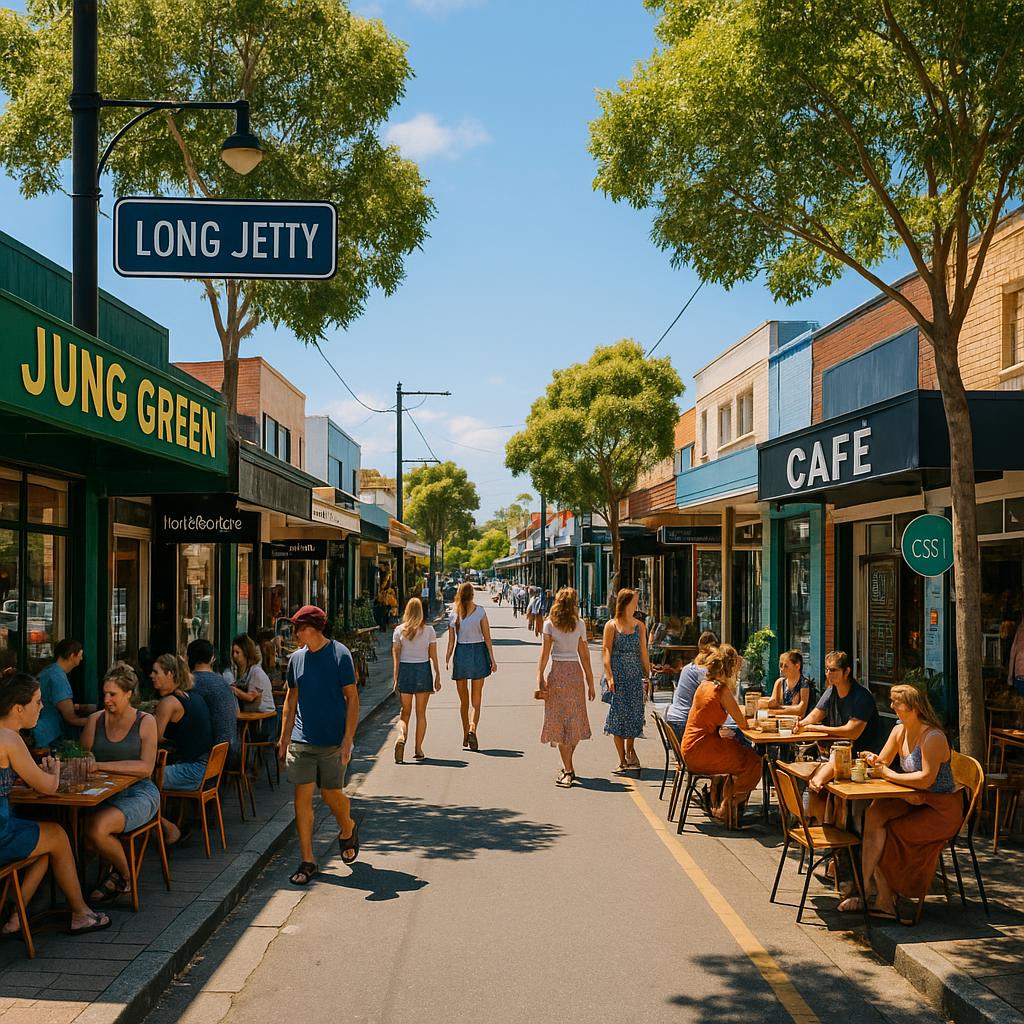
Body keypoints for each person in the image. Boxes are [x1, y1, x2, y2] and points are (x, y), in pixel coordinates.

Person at [838, 685, 963, 921]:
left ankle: (886, 900)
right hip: (914, 798)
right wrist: (873, 760)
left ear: (914, 708)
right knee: (874, 814)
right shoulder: (899, 730)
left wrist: (888, 775)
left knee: (891, 831)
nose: (892, 706)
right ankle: (865, 888)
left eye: (897, 703)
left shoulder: (933, 737)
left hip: (941, 808)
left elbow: (926, 779)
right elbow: (883, 762)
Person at [0, 673, 111, 936]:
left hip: (6, 824)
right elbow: (48, 787)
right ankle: (81, 914)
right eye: (37, 702)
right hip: (2, 832)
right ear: (18, 708)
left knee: (45, 846)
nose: (42, 707)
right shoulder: (10, 739)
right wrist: (55, 771)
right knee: (58, 835)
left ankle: (16, 918)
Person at [277, 605, 360, 886]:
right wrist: (284, 738)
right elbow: (291, 699)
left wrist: (348, 739)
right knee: (301, 800)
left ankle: (348, 826)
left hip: (333, 741)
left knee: (330, 795)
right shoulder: (296, 660)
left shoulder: (340, 655)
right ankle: (308, 859)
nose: (294, 633)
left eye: (297, 628)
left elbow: (352, 698)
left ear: (311, 629)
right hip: (302, 741)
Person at [81, 664, 161, 904]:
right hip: (101, 792)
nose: (106, 699)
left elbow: (145, 768)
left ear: (129, 694)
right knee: (73, 830)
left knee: (96, 828)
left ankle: (125, 877)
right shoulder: (95, 720)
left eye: (113, 694)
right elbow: (82, 758)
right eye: (104, 694)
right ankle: (88, 880)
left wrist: (101, 765)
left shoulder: (146, 721)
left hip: (140, 792)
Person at [793, 650, 887, 822]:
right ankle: (821, 828)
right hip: (837, 755)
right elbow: (815, 715)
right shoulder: (831, 691)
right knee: (805, 780)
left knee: (817, 783)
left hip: (862, 758)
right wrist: (802, 724)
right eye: (827, 670)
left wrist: (818, 729)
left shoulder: (862, 696)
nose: (829, 674)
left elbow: (853, 732)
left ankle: (833, 832)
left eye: (834, 670)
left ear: (847, 671)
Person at [681, 644, 763, 824]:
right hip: (702, 751)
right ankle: (728, 807)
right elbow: (741, 722)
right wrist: (759, 723)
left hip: (692, 746)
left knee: (742, 753)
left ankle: (726, 806)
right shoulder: (721, 690)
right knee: (754, 762)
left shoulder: (705, 685)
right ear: (730, 669)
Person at [151, 653, 214, 845]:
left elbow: (152, 741)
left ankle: (169, 828)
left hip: (192, 771)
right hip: (206, 767)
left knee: (138, 785)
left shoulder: (168, 703)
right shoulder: (193, 696)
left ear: (170, 674)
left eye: (156, 672)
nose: (151, 676)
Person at [537, 587, 595, 787]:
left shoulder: (549, 625)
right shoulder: (579, 624)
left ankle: (568, 770)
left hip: (558, 673)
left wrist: (540, 676)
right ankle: (568, 766)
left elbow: (544, 654)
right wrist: (590, 681)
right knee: (574, 720)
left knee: (558, 720)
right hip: (575, 674)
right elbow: (585, 655)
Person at [602, 588, 652, 772]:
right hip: (618, 674)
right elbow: (606, 650)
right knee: (617, 716)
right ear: (624, 604)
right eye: (634, 601)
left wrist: (648, 674)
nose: (636, 605)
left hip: (634, 675)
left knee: (635, 714)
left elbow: (643, 652)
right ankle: (622, 759)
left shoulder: (640, 626)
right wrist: (609, 675)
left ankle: (631, 751)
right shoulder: (611, 625)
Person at [445, 582, 497, 752]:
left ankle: (465, 733)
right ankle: (473, 728)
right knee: (476, 700)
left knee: (463, 701)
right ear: (472, 594)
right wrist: (492, 659)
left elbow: (451, 641)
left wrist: (447, 658)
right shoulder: (481, 612)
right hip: (478, 653)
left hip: (461, 653)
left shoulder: (454, 614)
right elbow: (487, 638)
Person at [392, 598, 441, 763]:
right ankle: (418, 749)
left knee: (404, 713)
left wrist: (395, 678)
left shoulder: (398, 631)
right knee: (421, 713)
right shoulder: (429, 631)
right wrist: (438, 675)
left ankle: (400, 736)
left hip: (405, 670)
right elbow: (433, 656)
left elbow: (396, 657)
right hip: (423, 670)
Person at [34, 639, 93, 750]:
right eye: (80, 655)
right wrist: (100, 722)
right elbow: (70, 718)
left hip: (40, 731)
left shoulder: (49, 671)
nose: (81, 658)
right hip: (48, 735)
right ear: (72, 656)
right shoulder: (57, 678)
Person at [187, 639, 240, 761]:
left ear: (189, 658)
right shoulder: (223, 681)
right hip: (231, 748)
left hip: (210, 755)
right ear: (212, 659)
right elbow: (237, 712)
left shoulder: (192, 683)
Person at [664, 630, 718, 741]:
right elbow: (710, 698)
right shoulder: (704, 672)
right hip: (684, 724)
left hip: (671, 719)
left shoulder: (689, 667)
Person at [230, 634, 278, 742]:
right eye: (233, 652)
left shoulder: (256, 672)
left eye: (237, 652)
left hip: (263, 722)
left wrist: (233, 690)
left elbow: (251, 697)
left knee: (262, 755)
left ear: (246, 653)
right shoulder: (242, 672)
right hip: (252, 720)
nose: (234, 656)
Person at [767, 649, 812, 718]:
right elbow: (772, 705)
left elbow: (800, 709)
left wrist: (778, 708)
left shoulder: (804, 683)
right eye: (781, 665)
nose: (782, 669)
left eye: (786, 666)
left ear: (797, 666)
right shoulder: (779, 682)